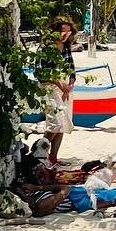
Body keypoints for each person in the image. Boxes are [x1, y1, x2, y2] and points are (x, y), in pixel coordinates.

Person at [36, 16, 78, 163]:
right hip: (49, 87)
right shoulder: (46, 48)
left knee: (63, 125)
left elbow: (71, 68)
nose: (65, 35)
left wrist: (70, 83)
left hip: (65, 88)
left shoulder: (66, 47)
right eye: (62, 32)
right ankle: (39, 153)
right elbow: (40, 72)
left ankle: (53, 157)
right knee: (55, 123)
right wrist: (59, 83)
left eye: (68, 32)